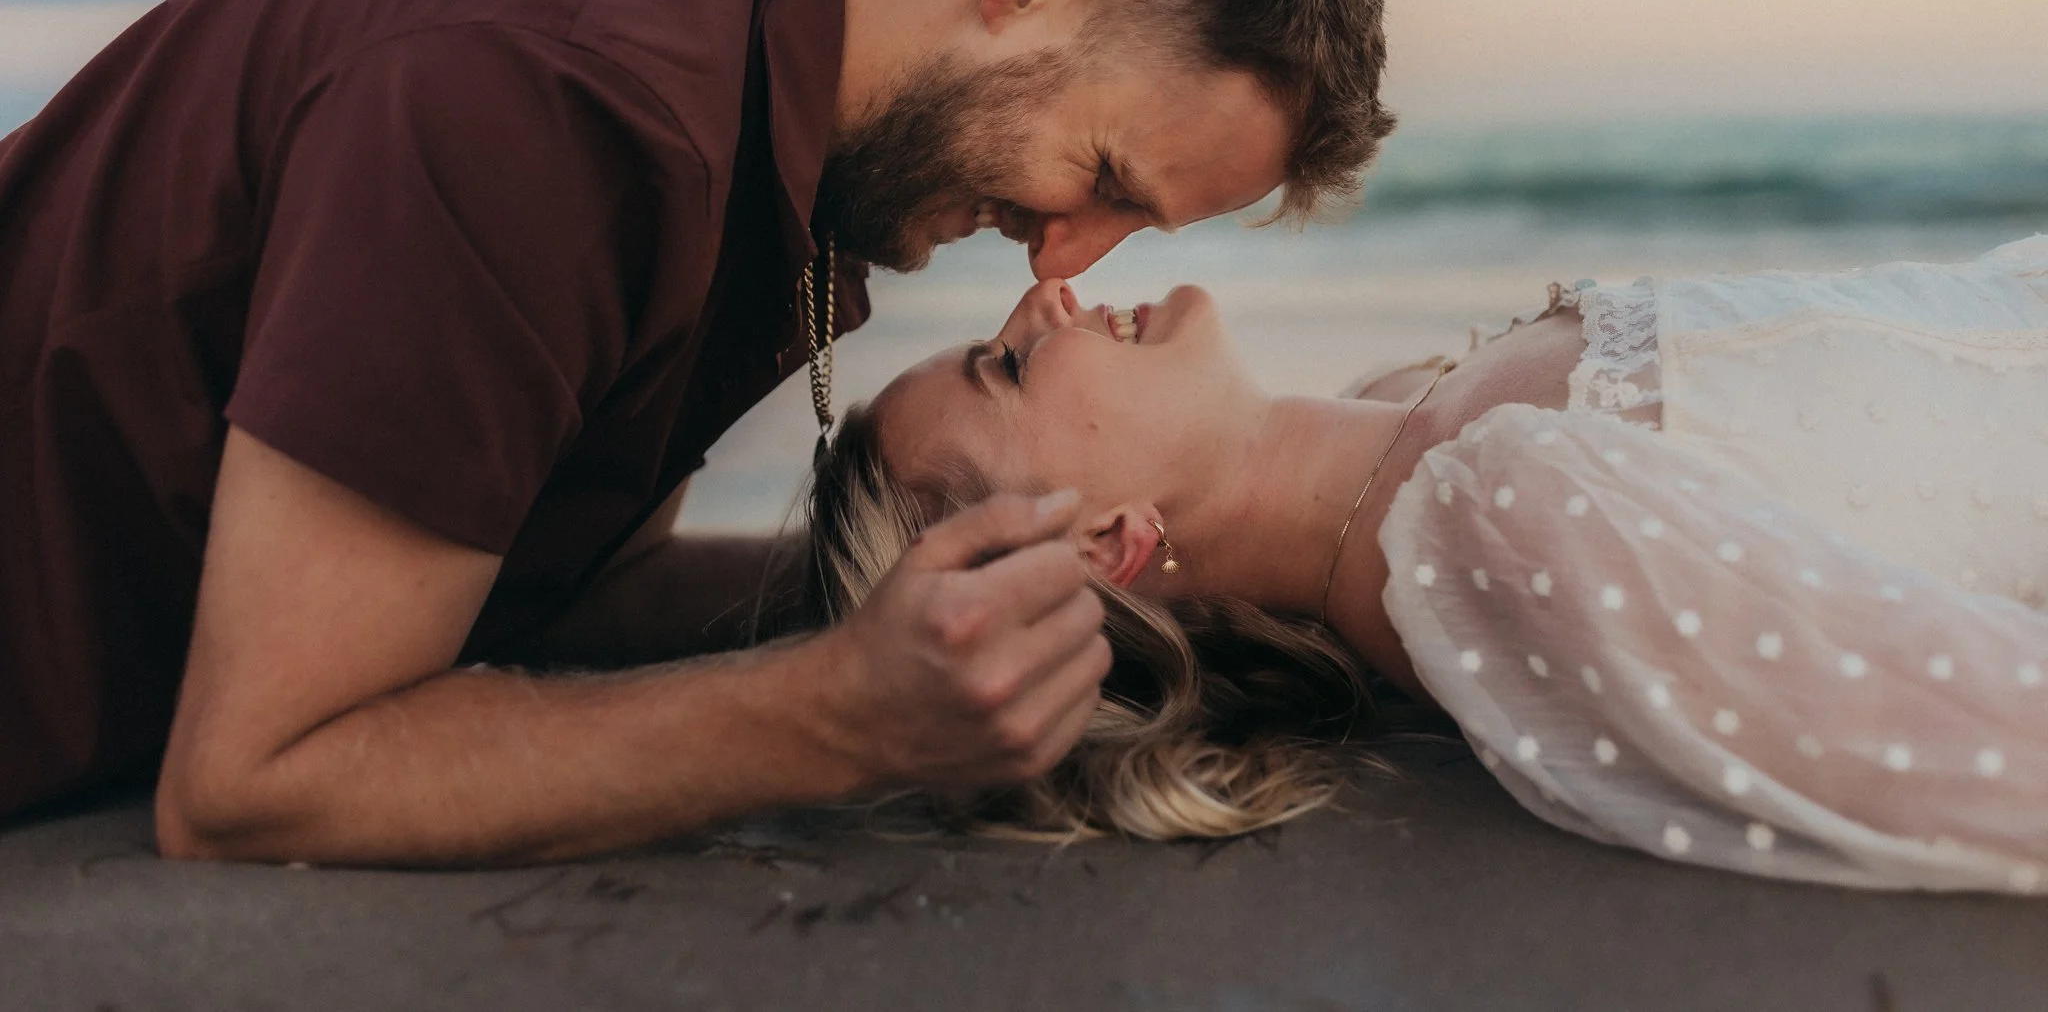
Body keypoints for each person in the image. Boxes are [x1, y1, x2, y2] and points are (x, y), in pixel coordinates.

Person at [0, 0, 1398, 864]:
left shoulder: (771, 144)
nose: (1063, 264)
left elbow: (556, 585)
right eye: (1099, 177)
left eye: (1128, 226)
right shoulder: (546, 115)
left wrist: (1003, 616)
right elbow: (256, 784)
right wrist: (842, 712)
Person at [808, 236, 2048, 893]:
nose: (1047, 297)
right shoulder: (1498, 529)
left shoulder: (1396, 424)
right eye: (1010, 366)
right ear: (1106, 544)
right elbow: (1988, 736)